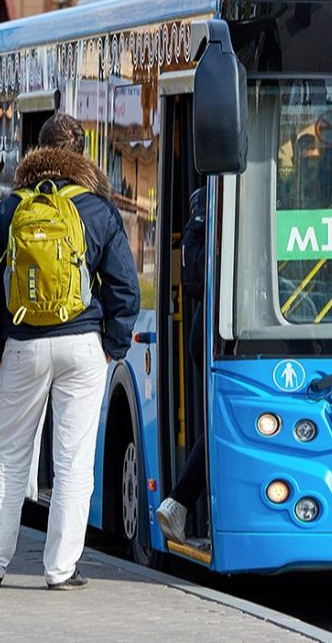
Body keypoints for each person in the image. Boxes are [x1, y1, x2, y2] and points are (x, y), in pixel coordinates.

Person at [0, 113, 140, 589]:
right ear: (81, 154)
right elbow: (124, 287)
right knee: (74, 459)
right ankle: (60, 570)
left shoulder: (11, 208)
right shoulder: (98, 209)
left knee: (9, 454)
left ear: (37, 151)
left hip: (23, 345)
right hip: (83, 346)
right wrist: (112, 346)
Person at [155, 186, 206, 545]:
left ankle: (180, 502)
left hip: (201, 329)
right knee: (223, 425)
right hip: (215, 333)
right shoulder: (220, 209)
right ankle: (179, 501)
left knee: (219, 424)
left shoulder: (198, 215)